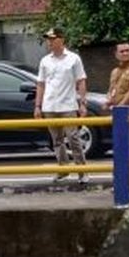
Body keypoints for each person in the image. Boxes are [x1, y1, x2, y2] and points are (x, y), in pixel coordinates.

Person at [33, 26, 88, 183]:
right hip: (50, 105)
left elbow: (81, 80)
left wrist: (83, 103)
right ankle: (63, 168)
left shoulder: (73, 58)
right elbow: (41, 84)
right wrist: (38, 106)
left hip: (68, 104)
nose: (49, 42)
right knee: (56, 140)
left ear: (61, 40)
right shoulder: (45, 61)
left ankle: (82, 170)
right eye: (48, 39)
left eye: (53, 39)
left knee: (73, 138)